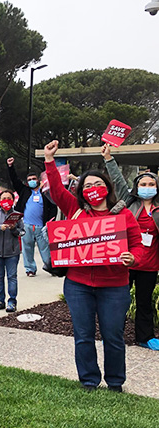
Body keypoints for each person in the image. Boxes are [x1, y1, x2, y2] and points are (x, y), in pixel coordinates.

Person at [44, 140, 143, 392]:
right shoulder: (75, 210)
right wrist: (49, 160)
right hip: (78, 285)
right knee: (83, 336)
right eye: (88, 185)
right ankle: (88, 380)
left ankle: (115, 383)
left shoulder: (124, 214)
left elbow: (138, 245)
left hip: (115, 287)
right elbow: (56, 190)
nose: (93, 188)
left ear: (107, 187)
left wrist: (134, 258)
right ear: (81, 191)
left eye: (98, 184)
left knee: (113, 337)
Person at [103, 144, 159, 349]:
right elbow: (117, 180)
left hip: (149, 266)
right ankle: (112, 335)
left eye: (151, 183)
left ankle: (145, 338)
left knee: (144, 304)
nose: (147, 186)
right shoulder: (128, 204)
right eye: (143, 183)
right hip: (126, 262)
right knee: (117, 302)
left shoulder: (158, 208)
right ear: (136, 186)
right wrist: (109, 159)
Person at [6, 157, 57, 276]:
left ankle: (50, 266)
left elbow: (53, 206)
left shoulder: (45, 192)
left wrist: (51, 219)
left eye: (34, 179)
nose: (32, 181)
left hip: (41, 226)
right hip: (26, 225)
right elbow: (14, 180)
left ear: (38, 180)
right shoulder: (24, 191)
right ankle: (30, 269)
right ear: (27, 182)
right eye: (29, 180)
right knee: (27, 249)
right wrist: (10, 167)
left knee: (45, 248)